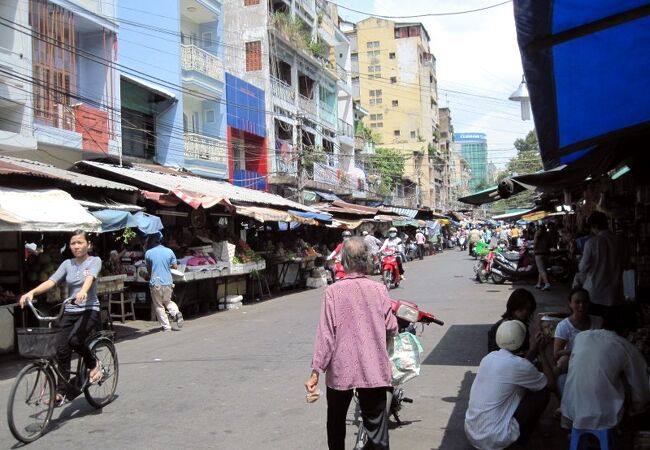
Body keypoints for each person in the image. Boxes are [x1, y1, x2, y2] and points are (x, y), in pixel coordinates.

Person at [305, 237, 398, 450]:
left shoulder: (333, 292)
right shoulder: (379, 290)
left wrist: (315, 372)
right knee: (377, 430)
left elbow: (326, 335)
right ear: (366, 260)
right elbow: (392, 327)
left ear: (344, 261)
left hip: (341, 370)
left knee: (336, 423)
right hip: (372, 368)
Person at [19, 230, 103, 404]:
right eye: (73, 243)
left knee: (74, 341)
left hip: (89, 310)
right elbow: (51, 281)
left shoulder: (94, 261)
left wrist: (83, 292)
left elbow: (90, 278)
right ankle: (61, 392)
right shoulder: (67, 264)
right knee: (61, 350)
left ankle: (93, 364)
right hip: (70, 311)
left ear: (88, 244)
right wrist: (31, 292)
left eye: (80, 242)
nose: (76, 246)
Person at [465, 320, 555, 449]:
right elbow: (550, 384)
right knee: (543, 393)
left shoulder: (489, 358)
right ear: (524, 341)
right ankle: (521, 441)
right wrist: (541, 352)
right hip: (495, 438)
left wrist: (532, 351)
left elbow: (519, 366)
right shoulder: (519, 365)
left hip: (473, 433)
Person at [560, 309, 649, 431]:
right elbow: (640, 391)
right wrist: (637, 410)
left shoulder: (581, 336)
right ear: (627, 330)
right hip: (604, 418)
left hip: (570, 411)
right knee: (628, 383)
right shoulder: (626, 347)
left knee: (564, 379)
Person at [576, 211, 625, 317]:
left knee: (595, 327)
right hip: (616, 294)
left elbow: (582, 268)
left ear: (595, 226)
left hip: (595, 294)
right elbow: (626, 265)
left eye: (591, 227)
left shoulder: (592, 242)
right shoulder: (620, 241)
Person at [553, 288, 602, 378]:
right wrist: (579, 352)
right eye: (577, 302)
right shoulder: (563, 326)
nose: (581, 306)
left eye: (585, 302)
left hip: (595, 359)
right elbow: (557, 353)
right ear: (570, 304)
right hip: (574, 359)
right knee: (563, 361)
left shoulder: (598, 321)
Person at [145, 232, 183, 332]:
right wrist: (166, 266)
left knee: (159, 305)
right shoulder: (169, 251)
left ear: (152, 241)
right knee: (167, 301)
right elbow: (175, 266)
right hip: (168, 281)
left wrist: (148, 276)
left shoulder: (148, 253)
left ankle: (166, 326)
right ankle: (176, 313)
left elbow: (149, 270)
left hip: (156, 282)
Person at [487, 288, 537, 356]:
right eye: (521, 308)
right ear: (513, 307)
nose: (525, 312)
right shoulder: (502, 328)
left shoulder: (521, 325)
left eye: (528, 309)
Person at [534, 224, 551, 290]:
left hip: (539, 253)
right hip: (546, 252)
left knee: (541, 269)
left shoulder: (537, 233)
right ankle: (539, 283)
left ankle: (547, 283)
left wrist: (534, 249)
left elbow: (535, 242)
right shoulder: (547, 234)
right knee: (542, 269)